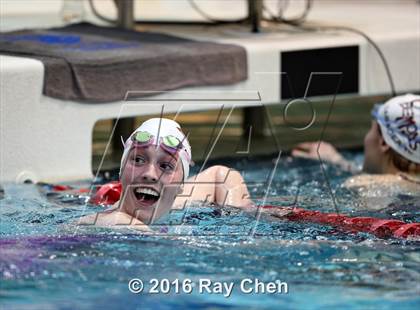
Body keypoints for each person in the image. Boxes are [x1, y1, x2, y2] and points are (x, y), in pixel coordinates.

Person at [78, 118, 253, 229]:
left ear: (180, 187)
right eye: (138, 160)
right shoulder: (113, 221)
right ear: (121, 171)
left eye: (165, 166)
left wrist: (237, 215)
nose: (150, 174)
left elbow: (221, 175)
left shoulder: (174, 202)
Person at [292, 94, 420, 198]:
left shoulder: (364, 185)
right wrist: (337, 160)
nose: (367, 137)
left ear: (383, 143)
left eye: (371, 129)